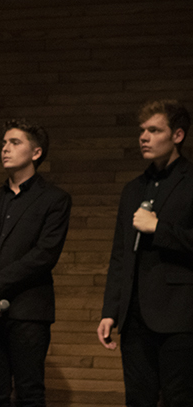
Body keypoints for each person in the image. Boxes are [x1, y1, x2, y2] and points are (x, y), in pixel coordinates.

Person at [0, 119, 71, 407]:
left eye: (14, 143)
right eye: (3, 143)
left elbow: (43, 256)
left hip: (28, 312)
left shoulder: (54, 199)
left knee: (29, 393)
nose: (5, 149)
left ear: (36, 153)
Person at [97, 99, 193, 407]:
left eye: (154, 130)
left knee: (179, 398)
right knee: (138, 398)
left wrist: (159, 228)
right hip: (135, 316)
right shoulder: (133, 189)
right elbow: (120, 255)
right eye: (142, 130)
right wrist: (111, 310)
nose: (144, 137)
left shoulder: (191, 182)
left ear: (177, 135)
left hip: (180, 315)